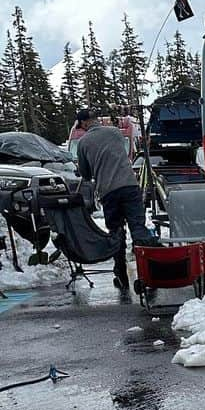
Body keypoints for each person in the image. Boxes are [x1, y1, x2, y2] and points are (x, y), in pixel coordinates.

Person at [75, 108, 157, 289]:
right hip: (129, 185)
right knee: (138, 227)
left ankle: (121, 276)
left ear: (83, 124)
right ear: (96, 120)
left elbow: (86, 174)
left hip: (108, 192)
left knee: (116, 232)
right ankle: (148, 274)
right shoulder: (114, 132)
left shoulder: (83, 143)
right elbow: (122, 152)